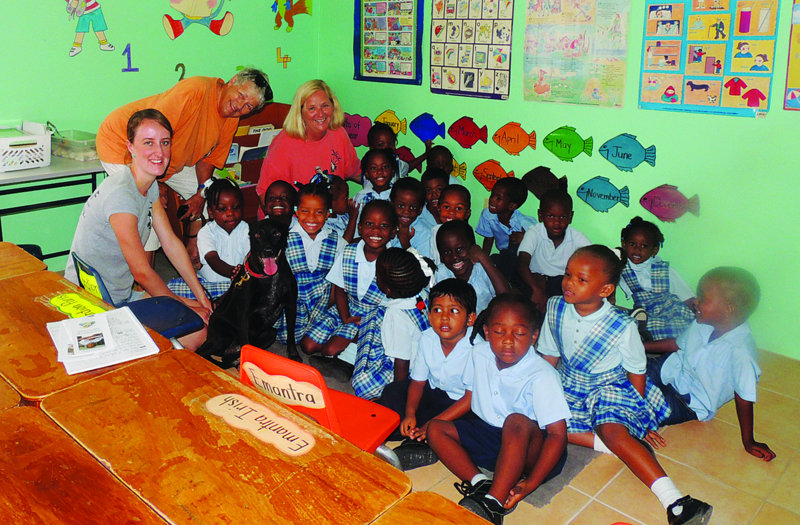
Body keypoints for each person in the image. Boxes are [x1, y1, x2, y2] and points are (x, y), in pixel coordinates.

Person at [537, 245, 712, 525]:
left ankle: (677, 502)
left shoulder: (622, 325)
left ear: (605, 290)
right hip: (570, 381)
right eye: (568, 274)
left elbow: (636, 369)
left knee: (613, 429)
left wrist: (639, 412)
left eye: (581, 279)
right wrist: (537, 393)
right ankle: (611, 446)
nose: (569, 283)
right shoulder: (555, 306)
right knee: (543, 420)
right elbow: (549, 354)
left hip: (610, 387)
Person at [66, 109, 212, 350]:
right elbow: (142, 272)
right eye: (148, 143)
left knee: (200, 317)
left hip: (119, 293)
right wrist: (182, 305)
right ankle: (145, 356)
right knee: (197, 328)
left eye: (165, 143)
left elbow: (171, 243)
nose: (159, 152)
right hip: (94, 304)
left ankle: (151, 351)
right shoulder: (121, 195)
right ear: (130, 146)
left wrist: (201, 297)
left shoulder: (148, 184)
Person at [96, 69, 271, 262]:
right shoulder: (195, 89)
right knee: (151, 217)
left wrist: (200, 194)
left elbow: (209, 159)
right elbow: (153, 137)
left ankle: (195, 254)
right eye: (240, 95)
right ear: (232, 81)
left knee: (216, 196)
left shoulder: (231, 119)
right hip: (125, 146)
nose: (239, 106)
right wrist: (157, 185)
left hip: (167, 158)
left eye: (248, 106)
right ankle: (143, 286)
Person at [427, 294, 570, 524]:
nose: (508, 341)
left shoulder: (542, 374)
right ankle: (480, 483)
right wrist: (427, 427)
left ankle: (493, 503)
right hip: (492, 436)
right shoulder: (479, 353)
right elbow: (469, 396)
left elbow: (557, 434)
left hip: (533, 447)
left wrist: (531, 483)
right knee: (436, 429)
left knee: (515, 421)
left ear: (534, 337)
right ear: (486, 333)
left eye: (520, 333)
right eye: (499, 332)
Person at [645, 268, 776, 461]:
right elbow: (676, 344)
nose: (695, 302)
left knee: (637, 409)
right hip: (670, 368)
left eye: (702, 298)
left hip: (686, 403)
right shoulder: (702, 322)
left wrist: (749, 441)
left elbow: (744, 399)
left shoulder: (741, 353)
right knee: (627, 373)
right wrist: (642, 347)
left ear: (728, 308)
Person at [379, 278, 477, 470]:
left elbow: (469, 399)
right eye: (437, 310)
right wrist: (410, 414)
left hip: (462, 406)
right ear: (430, 317)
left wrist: (433, 423)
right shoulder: (427, 338)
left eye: (454, 311)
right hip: (432, 395)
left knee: (469, 428)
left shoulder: (476, 348)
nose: (445, 317)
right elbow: (417, 382)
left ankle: (426, 440)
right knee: (393, 392)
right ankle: (418, 435)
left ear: (470, 318)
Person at [303, 200, 396, 361]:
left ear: (394, 231)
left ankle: (352, 352)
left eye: (384, 226)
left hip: (373, 318)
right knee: (308, 346)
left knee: (330, 351)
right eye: (369, 223)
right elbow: (339, 288)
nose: (375, 230)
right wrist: (345, 317)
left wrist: (361, 329)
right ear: (359, 228)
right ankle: (343, 345)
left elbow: (392, 308)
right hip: (347, 308)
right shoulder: (349, 251)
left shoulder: (394, 262)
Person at [256, 79, 361, 204]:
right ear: (300, 113)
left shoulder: (339, 134)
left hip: (328, 216)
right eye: (312, 108)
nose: (320, 113)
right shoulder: (284, 143)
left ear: (333, 107)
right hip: (291, 217)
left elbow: (356, 171)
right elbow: (265, 195)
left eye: (325, 106)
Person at [352, 248, 435, 400]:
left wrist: (399, 395)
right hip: (425, 352)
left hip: (409, 368)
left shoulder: (396, 316)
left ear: (388, 290)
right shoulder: (422, 292)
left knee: (361, 383)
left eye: (377, 276)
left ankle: (380, 399)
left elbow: (402, 361)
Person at [277, 181, 345, 345]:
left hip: (324, 302)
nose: (311, 218)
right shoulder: (285, 238)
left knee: (321, 337)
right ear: (296, 212)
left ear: (328, 214)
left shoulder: (337, 240)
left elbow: (338, 280)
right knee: (286, 339)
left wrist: (330, 303)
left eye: (319, 212)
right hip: (294, 301)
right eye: (305, 211)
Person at [167, 178, 248, 300]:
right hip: (210, 285)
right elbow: (212, 259)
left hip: (239, 285)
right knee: (172, 288)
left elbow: (250, 256)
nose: (230, 213)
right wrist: (233, 272)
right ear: (210, 212)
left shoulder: (245, 228)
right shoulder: (206, 232)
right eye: (222, 209)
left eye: (236, 207)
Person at [619, 217, 694, 341]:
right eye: (633, 244)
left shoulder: (664, 270)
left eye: (644, 246)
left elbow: (688, 298)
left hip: (671, 313)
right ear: (624, 244)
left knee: (679, 332)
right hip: (644, 314)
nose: (637, 249)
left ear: (654, 250)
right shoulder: (621, 267)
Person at [518, 189, 590, 311]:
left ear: (570, 217)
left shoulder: (576, 237)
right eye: (551, 216)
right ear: (541, 215)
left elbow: (595, 257)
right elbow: (522, 262)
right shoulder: (534, 232)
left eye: (562, 217)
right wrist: (536, 289)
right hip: (534, 279)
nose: (557, 222)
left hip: (561, 282)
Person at [476, 177, 536, 292]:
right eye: (492, 195)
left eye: (498, 198)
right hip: (505, 255)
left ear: (512, 206)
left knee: (518, 274)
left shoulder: (524, 223)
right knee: (496, 262)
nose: (492, 200)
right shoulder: (487, 215)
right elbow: (488, 239)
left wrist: (525, 238)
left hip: (522, 258)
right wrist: (484, 260)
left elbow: (540, 241)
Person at [434, 221, 509, 314]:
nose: (454, 256)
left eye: (460, 249)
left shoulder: (483, 268)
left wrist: (483, 257)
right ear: (441, 256)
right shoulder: (439, 274)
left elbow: (506, 297)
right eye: (446, 252)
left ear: (473, 248)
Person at [388, 177, 431, 257]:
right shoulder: (384, 224)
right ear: (392, 204)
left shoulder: (424, 234)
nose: (406, 212)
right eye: (401, 206)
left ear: (420, 210)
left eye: (413, 207)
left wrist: (406, 244)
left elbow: (426, 267)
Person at [430, 184, 472, 264]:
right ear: (439, 209)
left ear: (467, 214)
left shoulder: (467, 234)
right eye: (446, 207)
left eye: (458, 208)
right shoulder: (433, 232)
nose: (451, 212)